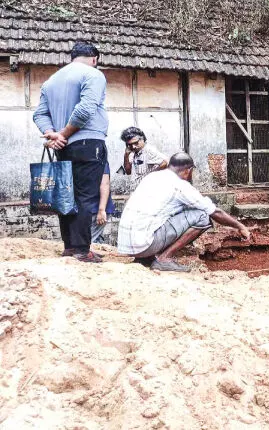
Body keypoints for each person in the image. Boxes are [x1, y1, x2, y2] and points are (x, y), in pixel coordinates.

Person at [33, 41, 108, 263]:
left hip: (63, 147)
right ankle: (83, 250)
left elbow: (39, 114)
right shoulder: (93, 74)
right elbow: (85, 109)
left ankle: (69, 247)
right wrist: (64, 133)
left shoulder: (51, 81)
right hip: (88, 143)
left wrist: (52, 134)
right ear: (94, 59)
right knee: (85, 197)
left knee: (66, 194)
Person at [117, 152, 251, 272]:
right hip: (144, 245)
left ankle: (146, 258)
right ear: (188, 171)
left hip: (127, 245)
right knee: (202, 215)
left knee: (170, 211)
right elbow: (215, 212)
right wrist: (240, 226)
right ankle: (164, 259)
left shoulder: (152, 177)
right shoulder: (180, 186)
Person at [91, 163, 117, 244]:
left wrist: (101, 210)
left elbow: (105, 183)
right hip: (89, 208)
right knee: (95, 240)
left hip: (96, 208)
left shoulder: (99, 157)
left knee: (87, 244)